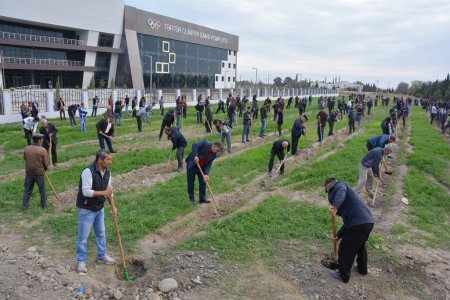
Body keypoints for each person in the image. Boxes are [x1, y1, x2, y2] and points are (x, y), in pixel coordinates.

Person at [325, 178, 374, 283]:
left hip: (359, 223)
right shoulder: (348, 203)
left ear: (329, 187)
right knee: (360, 246)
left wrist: (335, 207)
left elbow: (340, 191)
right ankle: (362, 269)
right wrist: (338, 235)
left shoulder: (340, 185)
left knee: (345, 247)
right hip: (368, 222)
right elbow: (348, 223)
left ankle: (343, 275)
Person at [76, 150, 116, 275]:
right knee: (83, 237)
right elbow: (86, 192)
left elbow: (109, 191)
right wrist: (104, 193)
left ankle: (102, 255)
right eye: (108, 159)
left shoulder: (107, 172)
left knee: (101, 234)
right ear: (100, 160)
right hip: (86, 209)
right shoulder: (88, 171)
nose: (110, 161)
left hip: (99, 208)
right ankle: (81, 261)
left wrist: (113, 207)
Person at [185, 140, 223, 204]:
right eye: (217, 150)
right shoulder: (205, 143)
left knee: (203, 182)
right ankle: (191, 199)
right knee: (191, 182)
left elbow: (209, 164)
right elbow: (195, 145)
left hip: (202, 167)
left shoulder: (214, 155)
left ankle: (202, 198)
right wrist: (196, 156)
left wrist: (206, 174)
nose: (217, 152)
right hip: (192, 164)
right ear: (214, 146)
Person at [22, 134, 50, 210]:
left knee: (27, 190)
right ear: (39, 140)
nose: (42, 140)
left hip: (29, 172)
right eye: (42, 139)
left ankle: (24, 207)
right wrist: (45, 168)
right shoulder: (42, 150)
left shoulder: (27, 148)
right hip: (39, 173)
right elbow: (46, 163)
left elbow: (25, 158)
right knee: (42, 190)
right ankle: (44, 205)